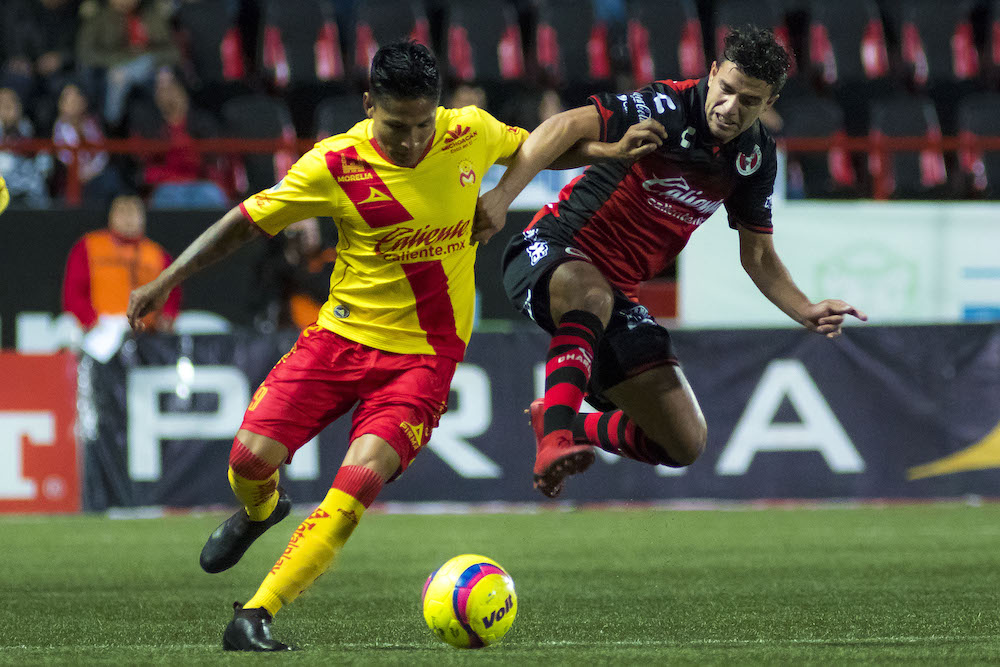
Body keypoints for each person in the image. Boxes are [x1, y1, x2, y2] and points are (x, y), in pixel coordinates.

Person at [125, 40, 649, 652]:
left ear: (439, 110)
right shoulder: (334, 164)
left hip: (424, 361)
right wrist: (167, 280)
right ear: (370, 104)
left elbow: (539, 144)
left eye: (421, 124)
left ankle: (257, 614)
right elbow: (244, 222)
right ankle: (262, 511)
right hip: (338, 340)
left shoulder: (469, 132)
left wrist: (607, 150)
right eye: (395, 126)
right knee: (247, 460)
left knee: (356, 483)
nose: (409, 139)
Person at [475, 26, 868, 498]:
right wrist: (500, 197)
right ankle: (555, 435)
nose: (730, 107)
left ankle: (568, 423)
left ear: (770, 102)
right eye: (727, 90)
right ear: (714, 72)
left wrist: (804, 309)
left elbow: (758, 255)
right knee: (590, 292)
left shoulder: (755, 156)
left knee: (683, 441)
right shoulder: (666, 106)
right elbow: (563, 127)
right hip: (550, 249)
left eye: (750, 101)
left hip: (615, 295)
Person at [63, 193, 180, 332]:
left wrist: (165, 319)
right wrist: (90, 320)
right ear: (111, 216)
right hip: (101, 327)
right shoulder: (89, 246)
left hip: (147, 331)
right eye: (122, 212)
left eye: (134, 212)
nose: (128, 218)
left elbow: (172, 293)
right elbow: (74, 292)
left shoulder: (157, 253)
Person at [52, 81, 124, 207]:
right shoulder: (57, 128)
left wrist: (91, 171)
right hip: (69, 177)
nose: (73, 102)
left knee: (111, 178)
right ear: (60, 104)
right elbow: (63, 157)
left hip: (93, 175)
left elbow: (102, 153)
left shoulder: (92, 124)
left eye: (77, 97)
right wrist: (79, 172)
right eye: (68, 99)